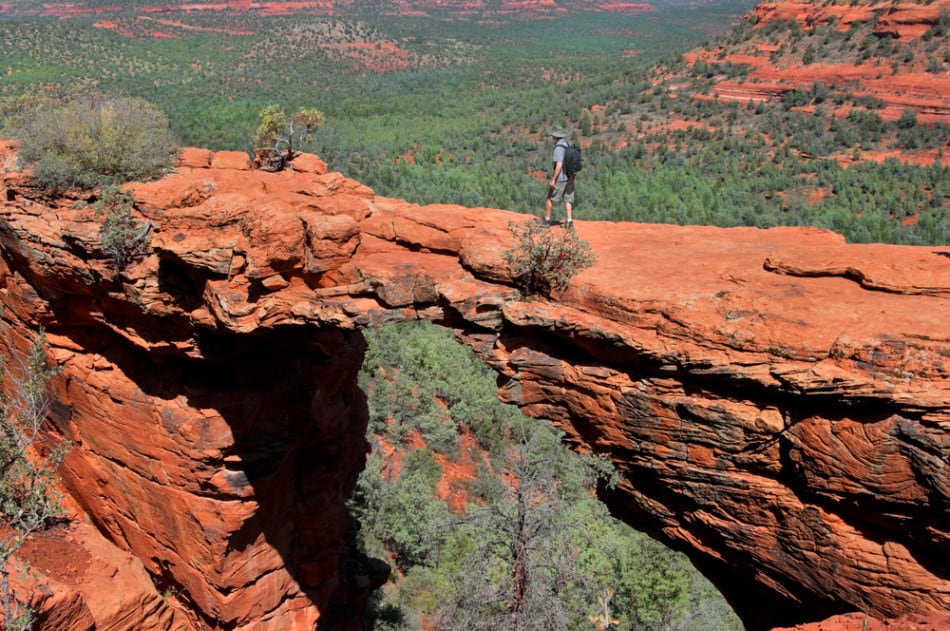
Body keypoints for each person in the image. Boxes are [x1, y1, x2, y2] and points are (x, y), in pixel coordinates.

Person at [542, 127, 575, 229]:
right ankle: (569, 222)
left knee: (549, 198)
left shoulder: (558, 148)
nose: (552, 136)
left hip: (561, 178)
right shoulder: (567, 145)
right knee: (567, 199)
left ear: (555, 136)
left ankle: (547, 220)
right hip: (570, 177)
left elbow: (559, 165)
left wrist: (553, 179)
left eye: (553, 135)